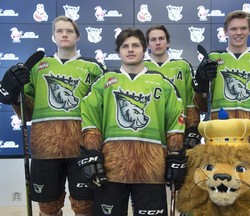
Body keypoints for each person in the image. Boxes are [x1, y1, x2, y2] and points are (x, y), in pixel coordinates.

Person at [0, 15, 107, 215]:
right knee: (48, 208)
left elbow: (103, 109)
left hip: (81, 148)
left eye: (69, 31)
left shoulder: (93, 67)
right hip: (45, 148)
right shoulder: (39, 67)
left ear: (78, 36)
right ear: (53, 37)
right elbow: (27, 112)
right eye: (59, 31)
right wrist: (14, 94)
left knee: (85, 207)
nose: (64, 34)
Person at [78, 27, 188, 216]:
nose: (130, 49)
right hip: (111, 168)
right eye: (125, 46)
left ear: (144, 49)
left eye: (135, 45)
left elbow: (174, 126)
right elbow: (90, 121)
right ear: (118, 51)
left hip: (151, 169)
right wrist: (92, 152)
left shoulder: (163, 83)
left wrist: (175, 154)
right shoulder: (103, 82)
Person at [193, 10, 250, 165]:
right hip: (219, 139)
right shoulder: (213, 59)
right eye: (234, 29)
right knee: (222, 187)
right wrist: (201, 85)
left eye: (243, 28)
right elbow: (202, 105)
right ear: (225, 32)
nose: (238, 32)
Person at [144, 25, 202, 149]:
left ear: (168, 42)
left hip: (179, 128)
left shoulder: (182, 66)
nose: (158, 43)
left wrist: (193, 128)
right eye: (153, 40)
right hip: (150, 128)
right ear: (148, 45)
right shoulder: (141, 67)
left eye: (161, 38)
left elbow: (191, 102)